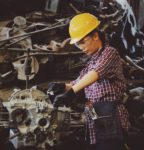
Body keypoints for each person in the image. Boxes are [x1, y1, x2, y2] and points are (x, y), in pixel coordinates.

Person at [48, 13, 129, 150]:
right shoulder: (91, 63)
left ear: (95, 36)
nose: (80, 47)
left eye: (82, 42)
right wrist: (62, 87)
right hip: (94, 120)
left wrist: (72, 92)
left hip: (111, 119)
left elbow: (95, 73)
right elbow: (77, 83)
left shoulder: (110, 53)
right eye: (78, 44)